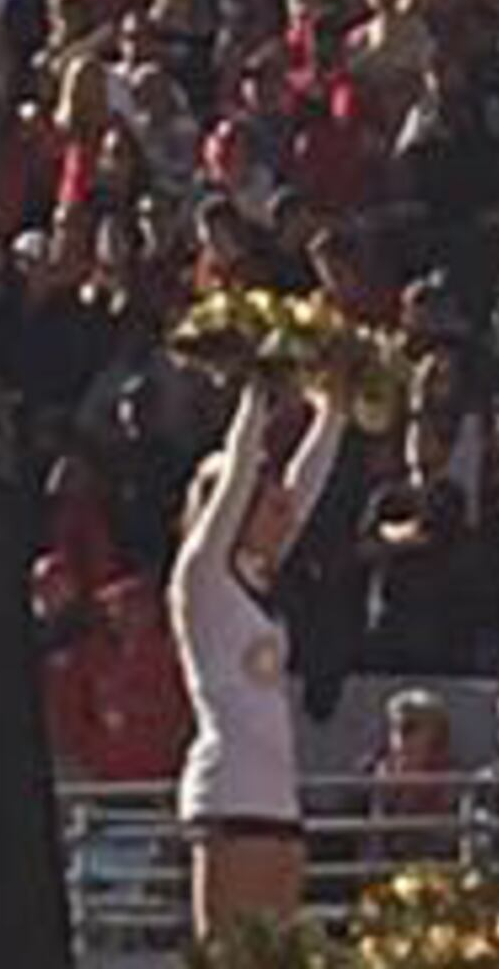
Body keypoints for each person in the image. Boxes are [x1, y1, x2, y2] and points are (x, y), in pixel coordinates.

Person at [170, 372, 348, 956]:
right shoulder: (203, 581)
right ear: (235, 507)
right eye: (269, 507)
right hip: (230, 796)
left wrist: (335, 409)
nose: (284, 515)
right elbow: (243, 466)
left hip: (278, 801)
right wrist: (257, 393)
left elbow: (308, 485)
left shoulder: (257, 578)